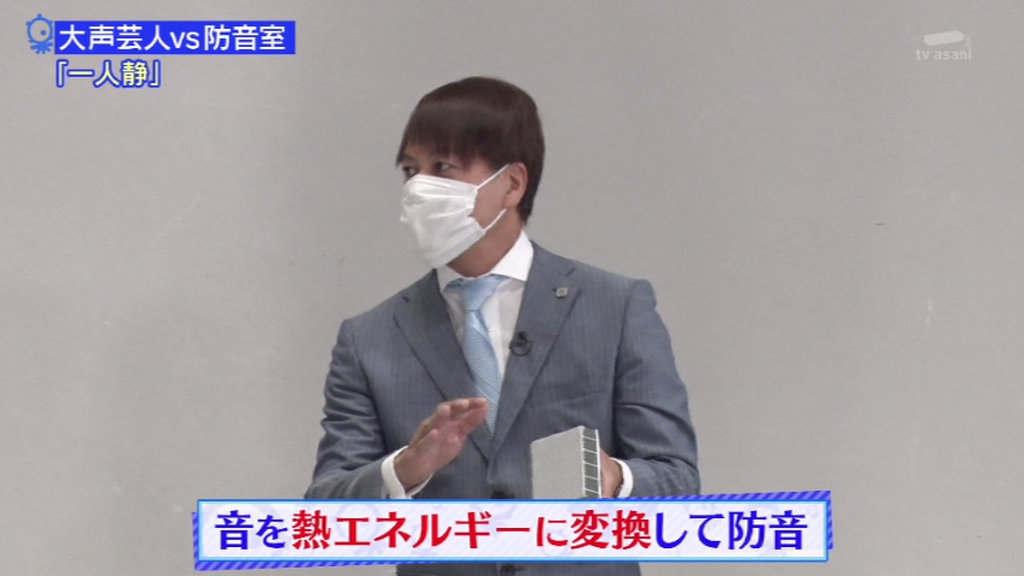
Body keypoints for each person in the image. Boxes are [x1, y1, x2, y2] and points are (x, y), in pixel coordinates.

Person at [306, 76, 699, 576]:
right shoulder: (369, 338)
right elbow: (325, 511)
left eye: (443, 167)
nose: (419, 188)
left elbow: (677, 479)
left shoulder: (613, 306)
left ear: (512, 183)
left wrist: (614, 480)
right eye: (410, 170)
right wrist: (403, 470)